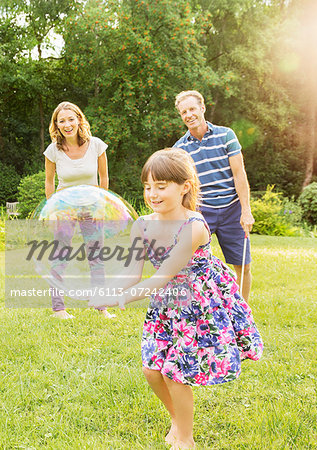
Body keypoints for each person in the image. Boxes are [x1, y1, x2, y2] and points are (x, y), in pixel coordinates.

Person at [89, 148, 263, 449]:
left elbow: (161, 277)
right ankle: (179, 421)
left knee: (175, 373)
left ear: (184, 187)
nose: (152, 194)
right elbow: (131, 274)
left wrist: (118, 301)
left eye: (161, 186)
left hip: (198, 307)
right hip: (165, 307)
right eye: (147, 186)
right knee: (152, 370)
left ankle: (185, 439)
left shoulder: (193, 226)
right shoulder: (141, 225)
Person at [173, 90, 255, 301]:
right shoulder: (179, 149)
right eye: (183, 112)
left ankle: (243, 310)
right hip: (202, 211)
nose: (188, 114)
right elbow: (181, 187)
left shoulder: (226, 135)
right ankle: (197, 307)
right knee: (190, 263)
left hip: (232, 208)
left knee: (242, 265)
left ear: (202, 108)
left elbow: (239, 174)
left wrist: (246, 211)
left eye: (192, 109)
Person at [44, 101, 115, 319]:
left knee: (96, 257)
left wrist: (102, 205)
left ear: (79, 120)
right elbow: (49, 182)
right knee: (61, 256)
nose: (67, 124)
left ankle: (101, 307)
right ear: (56, 125)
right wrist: (53, 210)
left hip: (92, 207)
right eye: (61, 121)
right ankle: (58, 309)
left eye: (70, 119)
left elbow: (104, 178)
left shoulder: (96, 145)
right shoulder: (53, 150)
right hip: (65, 208)